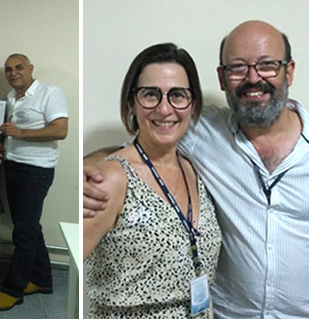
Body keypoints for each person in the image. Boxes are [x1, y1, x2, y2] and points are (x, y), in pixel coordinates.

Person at [83, 21, 309, 318]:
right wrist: (88, 170)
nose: (253, 78)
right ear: (222, 78)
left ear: (288, 71)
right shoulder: (201, 133)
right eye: (238, 67)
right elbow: (142, 148)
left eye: (267, 65)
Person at [84, 43, 221, 318]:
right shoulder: (110, 178)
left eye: (177, 95)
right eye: (150, 94)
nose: (164, 108)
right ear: (131, 103)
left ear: (192, 105)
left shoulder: (194, 169)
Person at [0, 53, 69, 311]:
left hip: (37, 170)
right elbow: (8, 131)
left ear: (31, 68)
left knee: (23, 230)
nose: (13, 73)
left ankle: (14, 288)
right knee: (29, 226)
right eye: (8, 69)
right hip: (13, 166)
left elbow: (60, 130)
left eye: (19, 67)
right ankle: (42, 279)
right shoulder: (11, 98)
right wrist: (0, 143)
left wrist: (21, 133)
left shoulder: (50, 92)